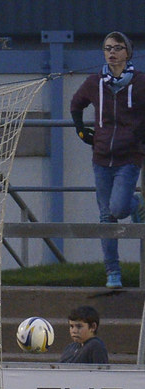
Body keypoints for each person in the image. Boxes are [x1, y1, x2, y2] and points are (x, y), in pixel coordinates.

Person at [70, 31, 145, 290]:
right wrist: (80, 129)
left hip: (129, 157)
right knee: (106, 217)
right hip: (101, 157)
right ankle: (112, 271)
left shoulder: (140, 82)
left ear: (128, 53)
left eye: (118, 47)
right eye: (107, 48)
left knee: (118, 208)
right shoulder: (94, 82)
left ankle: (135, 204)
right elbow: (76, 104)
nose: (112, 52)